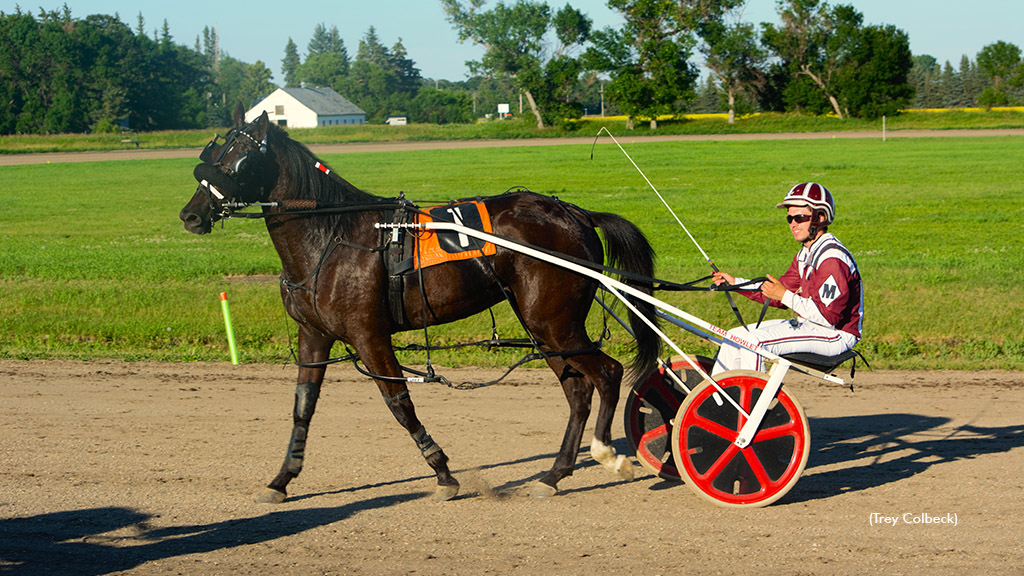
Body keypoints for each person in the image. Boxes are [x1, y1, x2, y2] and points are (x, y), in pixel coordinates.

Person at [711, 182, 863, 375]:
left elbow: (828, 317)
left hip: (836, 334)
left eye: (800, 217)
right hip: (812, 325)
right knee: (734, 336)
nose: (793, 223)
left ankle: (751, 401)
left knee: (752, 342)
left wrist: (785, 296)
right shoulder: (806, 254)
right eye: (789, 218)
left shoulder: (832, 259)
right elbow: (777, 291)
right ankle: (717, 397)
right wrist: (735, 283)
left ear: (821, 218)